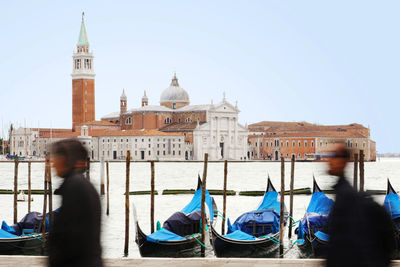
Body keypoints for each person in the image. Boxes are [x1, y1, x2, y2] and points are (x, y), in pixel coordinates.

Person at [326, 143, 395, 267]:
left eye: (333, 155)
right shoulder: (343, 196)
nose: (328, 160)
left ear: (344, 161)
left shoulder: (348, 199)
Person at [48, 139, 103, 267]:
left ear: (64, 159)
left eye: (55, 157)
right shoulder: (81, 185)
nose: (53, 163)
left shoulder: (74, 186)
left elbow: (71, 238)